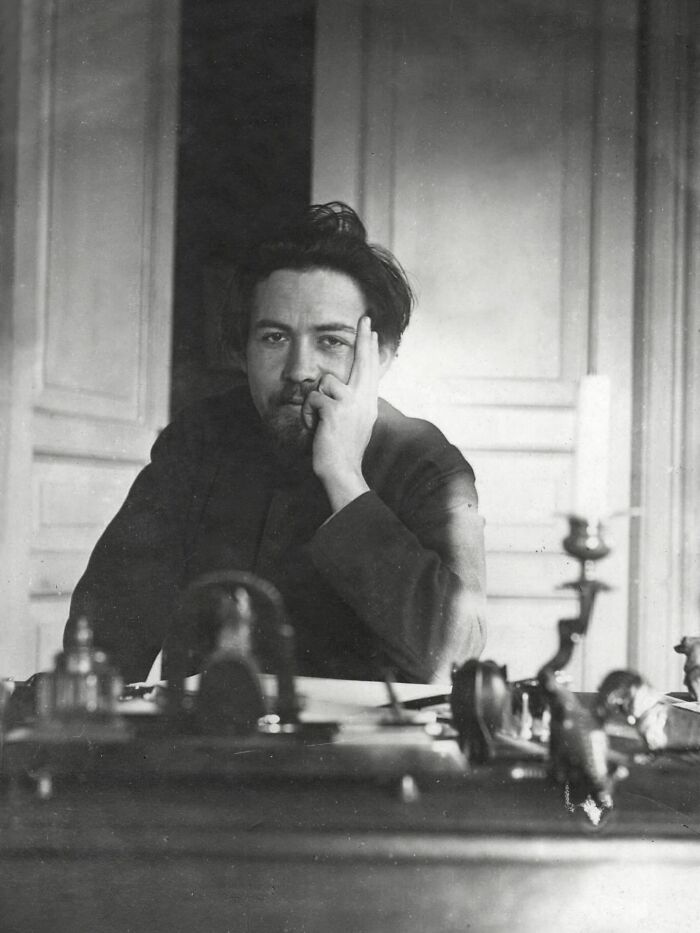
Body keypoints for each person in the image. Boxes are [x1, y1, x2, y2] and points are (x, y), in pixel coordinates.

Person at [66, 202, 486, 684]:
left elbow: (456, 654)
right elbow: (109, 626)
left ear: (382, 356)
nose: (299, 370)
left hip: (366, 734)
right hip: (214, 728)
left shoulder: (426, 460)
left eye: (331, 341)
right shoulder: (198, 440)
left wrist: (345, 479)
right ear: (243, 350)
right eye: (274, 338)